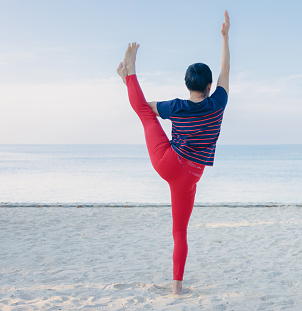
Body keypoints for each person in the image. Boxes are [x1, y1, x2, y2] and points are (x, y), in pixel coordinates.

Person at [116, 10, 230, 295]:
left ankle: (129, 72)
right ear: (208, 86)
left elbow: (145, 107)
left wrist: (129, 83)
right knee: (180, 232)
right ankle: (176, 287)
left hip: (168, 162)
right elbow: (226, 72)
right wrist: (225, 38)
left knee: (144, 114)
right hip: (190, 177)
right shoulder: (218, 103)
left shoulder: (176, 106)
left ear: (186, 85)